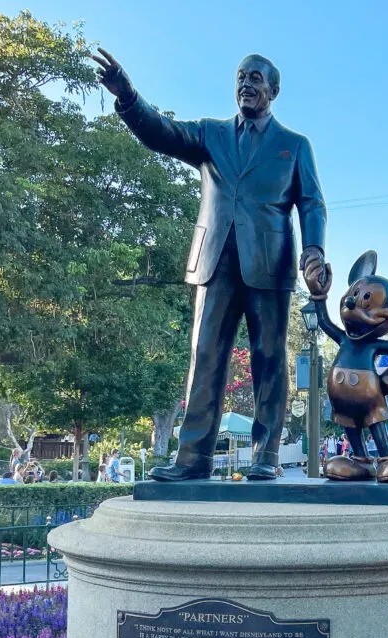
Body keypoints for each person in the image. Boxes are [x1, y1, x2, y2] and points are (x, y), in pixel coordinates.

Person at [93, 47, 326, 482]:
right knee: (204, 357)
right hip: (214, 261)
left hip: (270, 264)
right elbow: (162, 133)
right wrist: (127, 97)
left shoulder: (294, 146)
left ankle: (266, 455)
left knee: (270, 359)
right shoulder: (209, 134)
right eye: (241, 76)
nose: (247, 83)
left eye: (256, 78)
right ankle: (192, 457)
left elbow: (312, 203)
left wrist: (313, 253)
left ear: (274, 91)